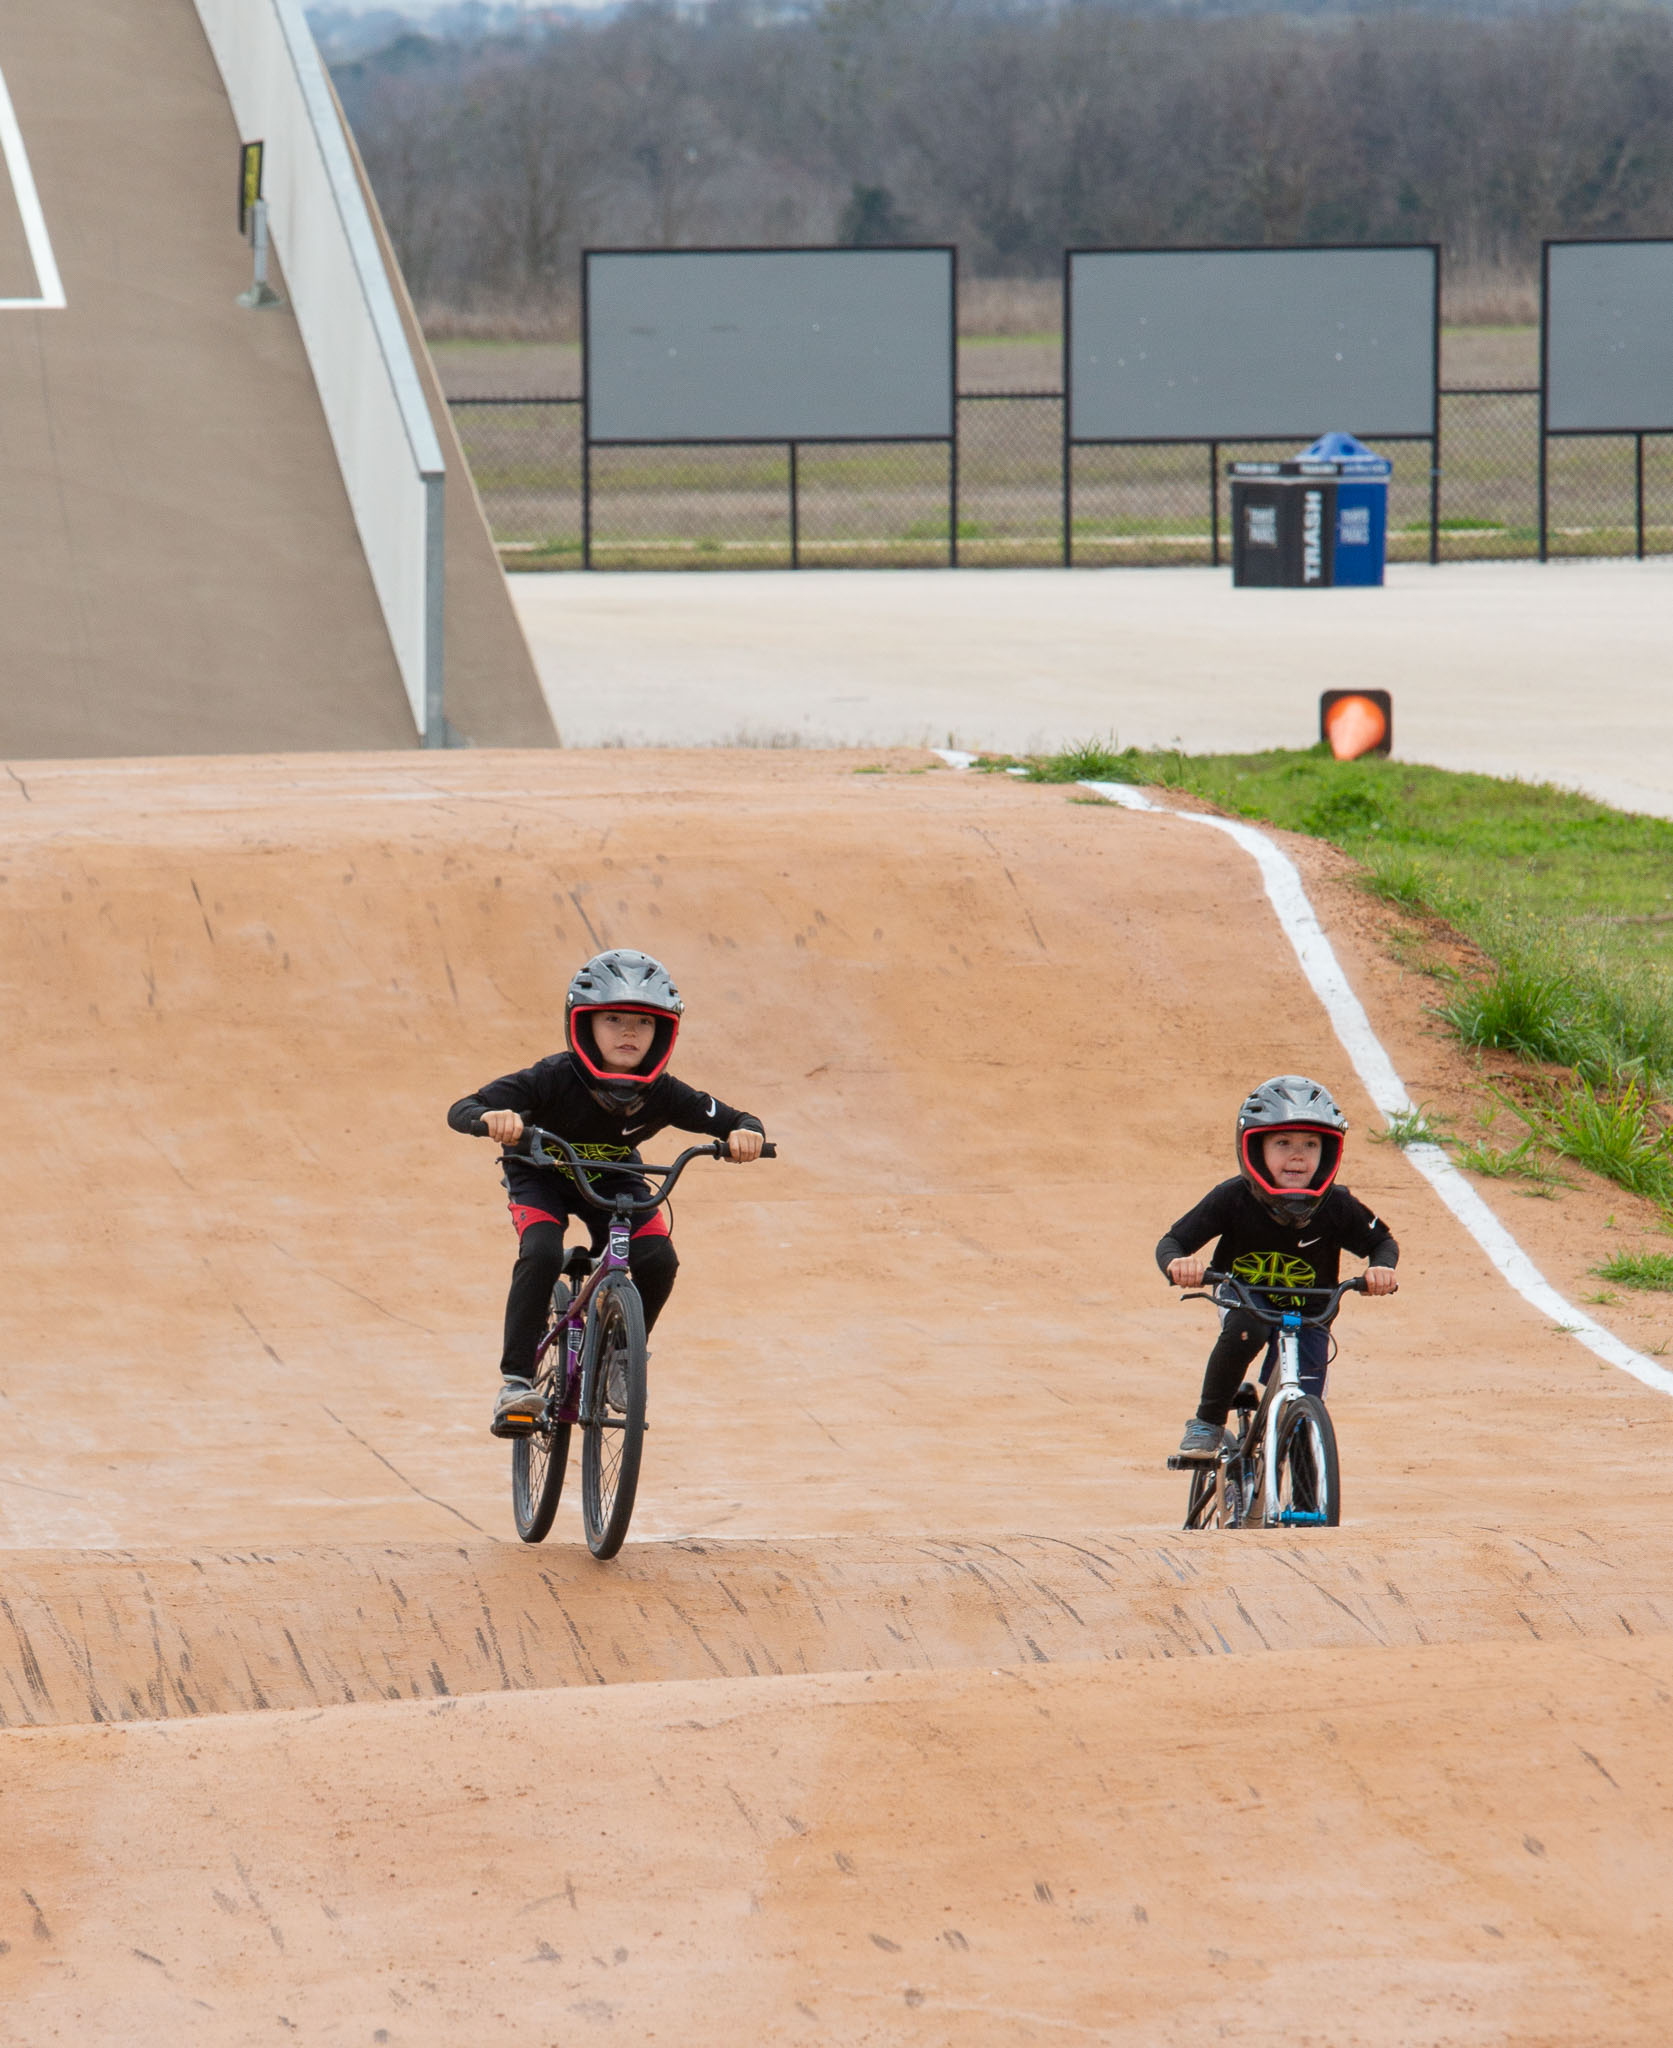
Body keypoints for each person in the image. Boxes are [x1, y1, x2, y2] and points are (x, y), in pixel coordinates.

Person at [448, 949, 765, 1437]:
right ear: (584, 1024)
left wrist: (747, 1134)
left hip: (613, 1175)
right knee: (541, 1251)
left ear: (664, 1032)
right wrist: (492, 1117)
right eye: (613, 1019)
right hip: (540, 1171)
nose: (628, 1032)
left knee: (659, 1259)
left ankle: (620, 1356)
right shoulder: (553, 1077)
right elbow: (464, 1107)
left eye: (643, 1021)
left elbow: (737, 1119)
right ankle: (516, 1383)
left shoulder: (664, 1092)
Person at [1156, 1075, 1398, 1457]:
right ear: (1255, 1149)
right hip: (1244, 1294)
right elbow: (1172, 1242)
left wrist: (1380, 1269)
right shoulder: (1233, 1197)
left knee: (1307, 1405)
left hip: (1312, 1310)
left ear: (1328, 1152)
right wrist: (1178, 1264)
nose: (1297, 1156)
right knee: (1246, 1329)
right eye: (1283, 1143)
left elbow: (1382, 1243)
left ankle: (1304, 1479)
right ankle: (1208, 1422)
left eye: (1310, 1144)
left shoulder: (1337, 1205)